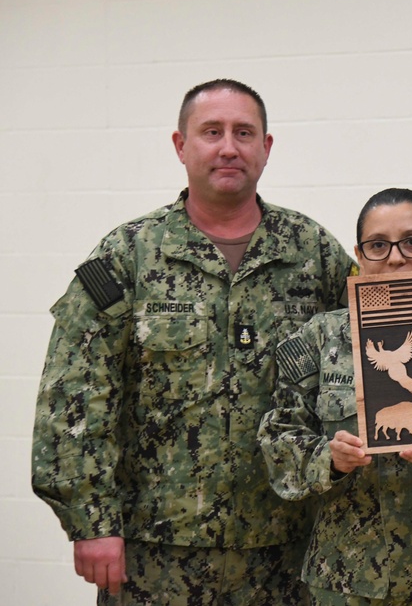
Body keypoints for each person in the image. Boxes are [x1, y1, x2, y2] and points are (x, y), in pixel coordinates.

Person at [31, 79, 355, 605]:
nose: (229, 147)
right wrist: (90, 521)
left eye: (244, 132)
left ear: (265, 148)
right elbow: (75, 398)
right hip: (157, 552)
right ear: (181, 146)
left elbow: (375, 352)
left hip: (289, 548)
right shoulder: (128, 255)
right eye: (212, 132)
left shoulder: (314, 253)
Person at [258, 188, 412, 605]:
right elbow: (278, 438)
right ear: (360, 255)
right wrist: (329, 459)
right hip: (347, 578)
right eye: (378, 245)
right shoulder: (320, 337)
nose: (396, 257)